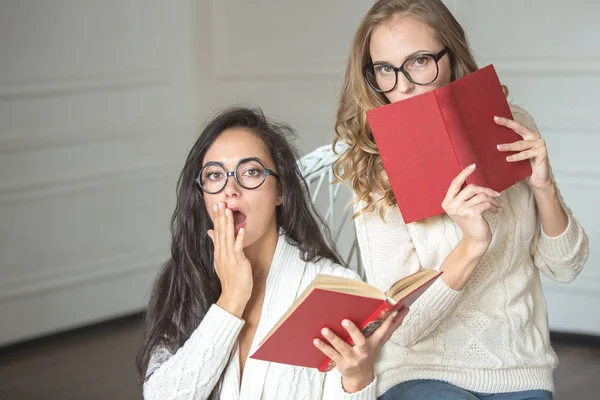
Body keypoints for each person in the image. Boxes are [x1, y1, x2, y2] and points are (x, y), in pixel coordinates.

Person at [332, 1, 589, 399]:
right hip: (420, 369)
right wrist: (471, 246)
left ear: (451, 56)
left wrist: (543, 186)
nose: (401, 85)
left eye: (418, 61)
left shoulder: (512, 124)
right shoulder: (372, 165)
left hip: (519, 365)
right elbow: (407, 327)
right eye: (384, 69)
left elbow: (566, 265)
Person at [136, 106, 408, 399]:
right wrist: (231, 300)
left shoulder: (332, 286)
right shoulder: (184, 277)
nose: (230, 189)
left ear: (280, 191)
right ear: (201, 193)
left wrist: (357, 378)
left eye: (251, 171)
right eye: (214, 175)